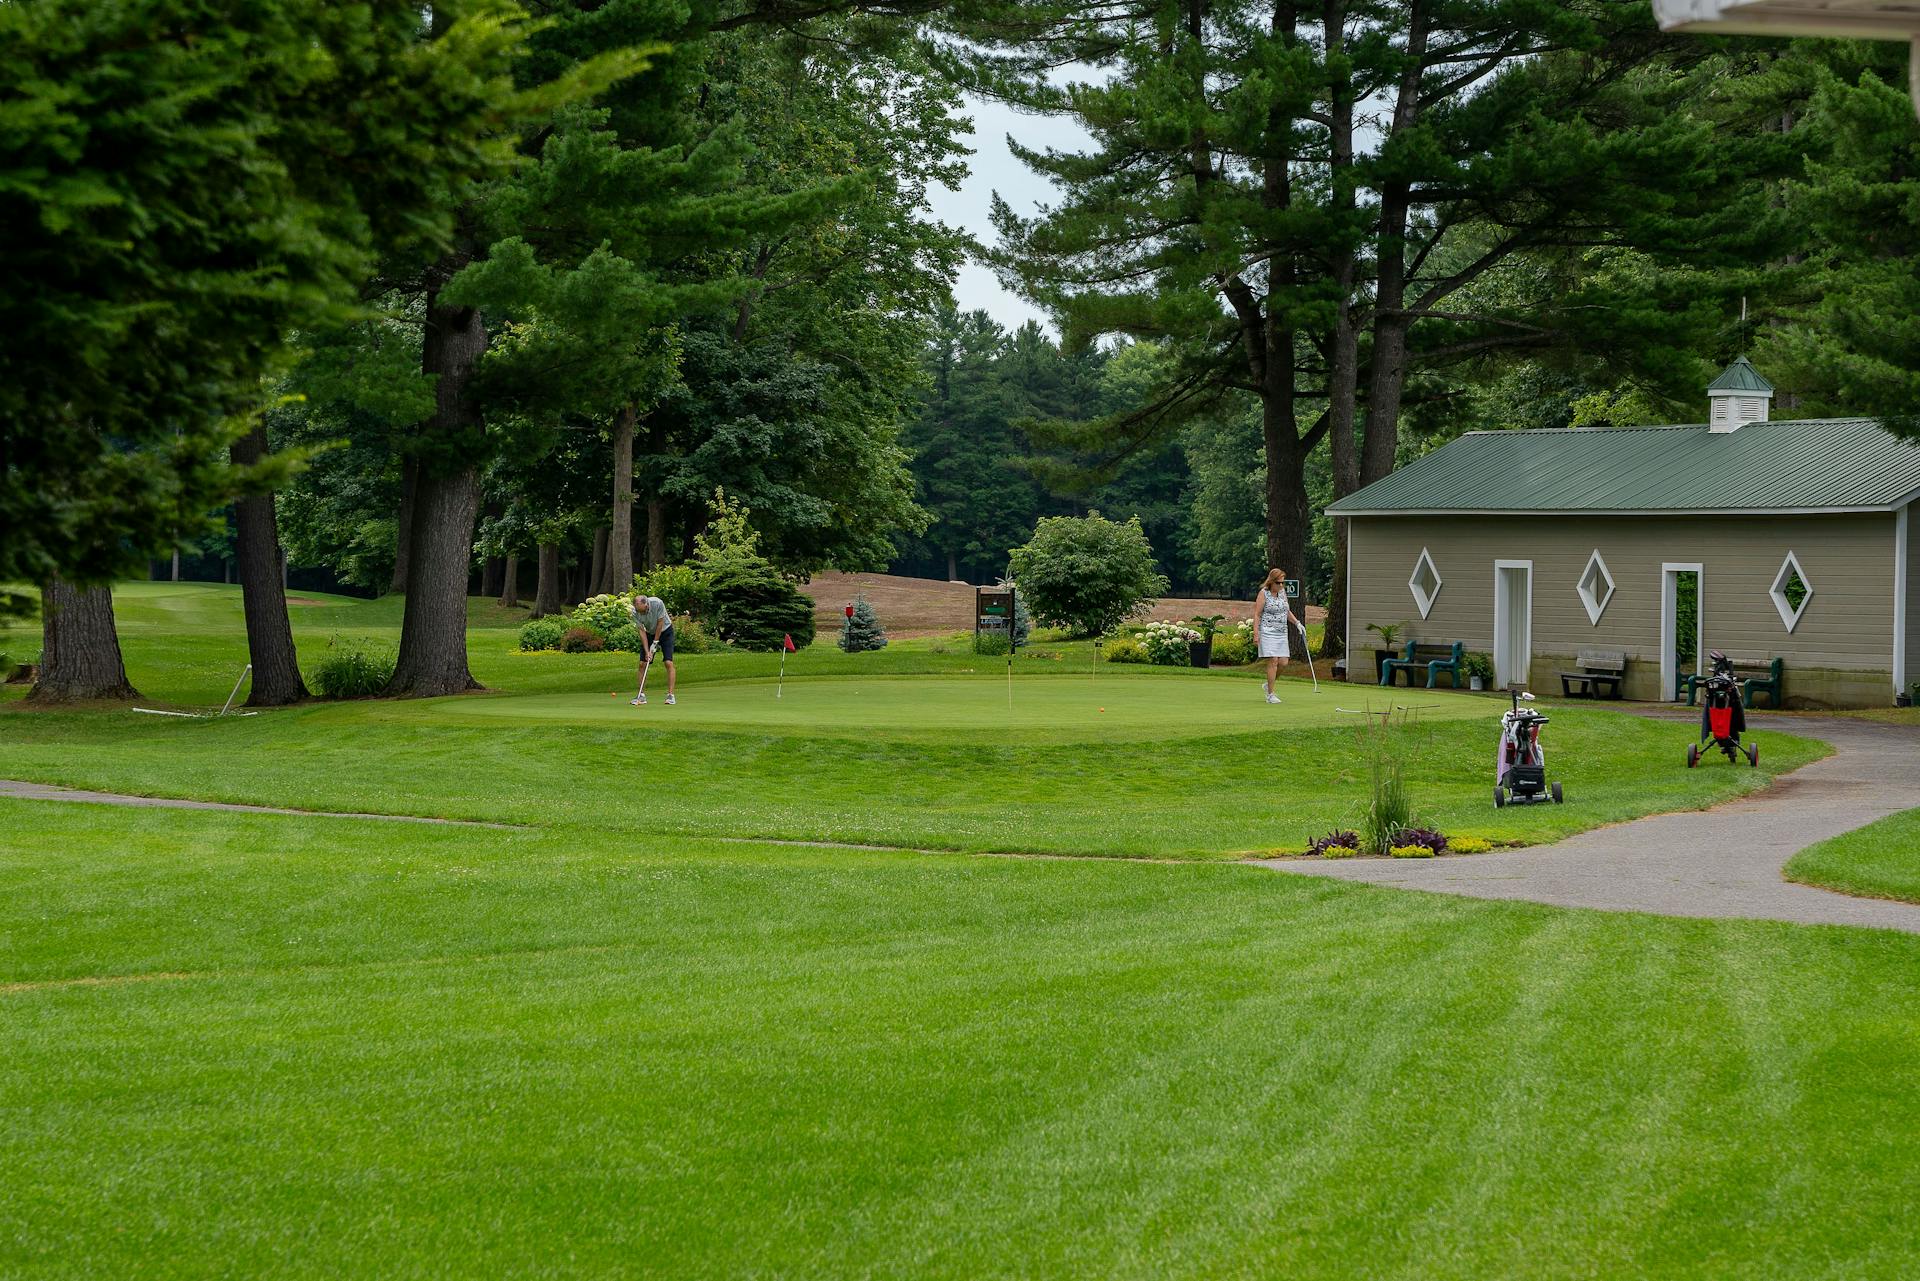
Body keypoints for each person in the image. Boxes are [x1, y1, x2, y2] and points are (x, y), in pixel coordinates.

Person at [1254, 568, 1297, 704]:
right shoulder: (1264, 593)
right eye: (1278, 583)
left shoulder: (1282, 593)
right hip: (1267, 631)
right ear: (1271, 582)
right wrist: (1256, 634)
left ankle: (1268, 684)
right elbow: (1257, 614)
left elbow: (1286, 611)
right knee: (1273, 660)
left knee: (1283, 662)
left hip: (1281, 632)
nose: (1281, 585)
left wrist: (1297, 623)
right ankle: (1270, 695)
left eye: (1282, 583)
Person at [629, 593, 676, 705]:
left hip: (665, 631)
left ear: (647, 604)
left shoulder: (657, 603)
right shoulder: (635, 612)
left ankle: (670, 696)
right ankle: (641, 696)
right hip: (649, 633)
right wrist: (647, 651)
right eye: (638, 610)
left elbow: (660, 624)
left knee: (668, 662)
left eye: (643, 610)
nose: (641, 613)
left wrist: (654, 644)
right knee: (642, 663)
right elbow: (641, 631)